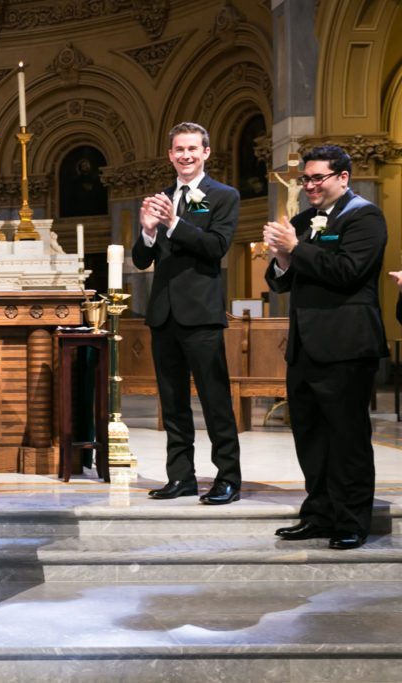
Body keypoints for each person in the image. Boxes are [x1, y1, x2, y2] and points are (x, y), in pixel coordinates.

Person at [264, 144, 387, 551]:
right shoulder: (303, 219)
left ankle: (352, 520)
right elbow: (281, 281)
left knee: (347, 438)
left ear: (343, 177)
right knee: (310, 437)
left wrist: (297, 249)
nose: (311, 185)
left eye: (319, 178)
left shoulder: (365, 217)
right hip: (304, 346)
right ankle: (318, 514)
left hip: (347, 345)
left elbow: (349, 272)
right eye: (307, 179)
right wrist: (281, 256)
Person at [132, 121, 242, 505]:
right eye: (179, 149)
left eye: (193, 149)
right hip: (164, 315)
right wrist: (147, 230)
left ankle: (228, 478)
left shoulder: (223, 196)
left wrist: (173, 223)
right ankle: (181, 477)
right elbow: (142, 258)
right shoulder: (160, 197)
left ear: (206, 153)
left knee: (215, 401)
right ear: (170, 155)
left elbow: (215, 246)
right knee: (173, 404)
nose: (186, 155)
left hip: (202, 314)